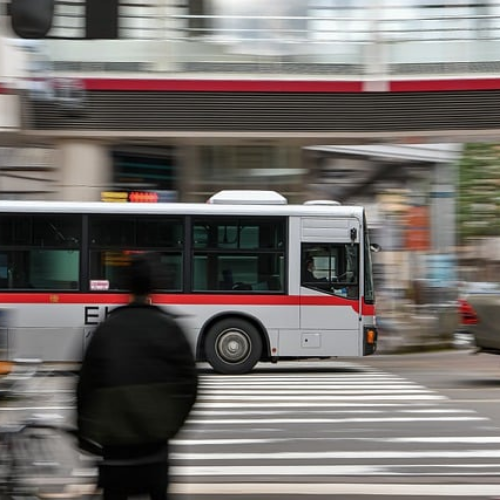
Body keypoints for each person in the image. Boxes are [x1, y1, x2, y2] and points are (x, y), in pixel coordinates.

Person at [76, 254, 198, 500]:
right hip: (156, 449)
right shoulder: (169, 328)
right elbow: (190, 385)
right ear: (155, 286)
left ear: (126, 285)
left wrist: (86, 433)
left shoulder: (107, 329)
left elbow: (85, 386)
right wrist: (169, 426)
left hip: (114, 451)